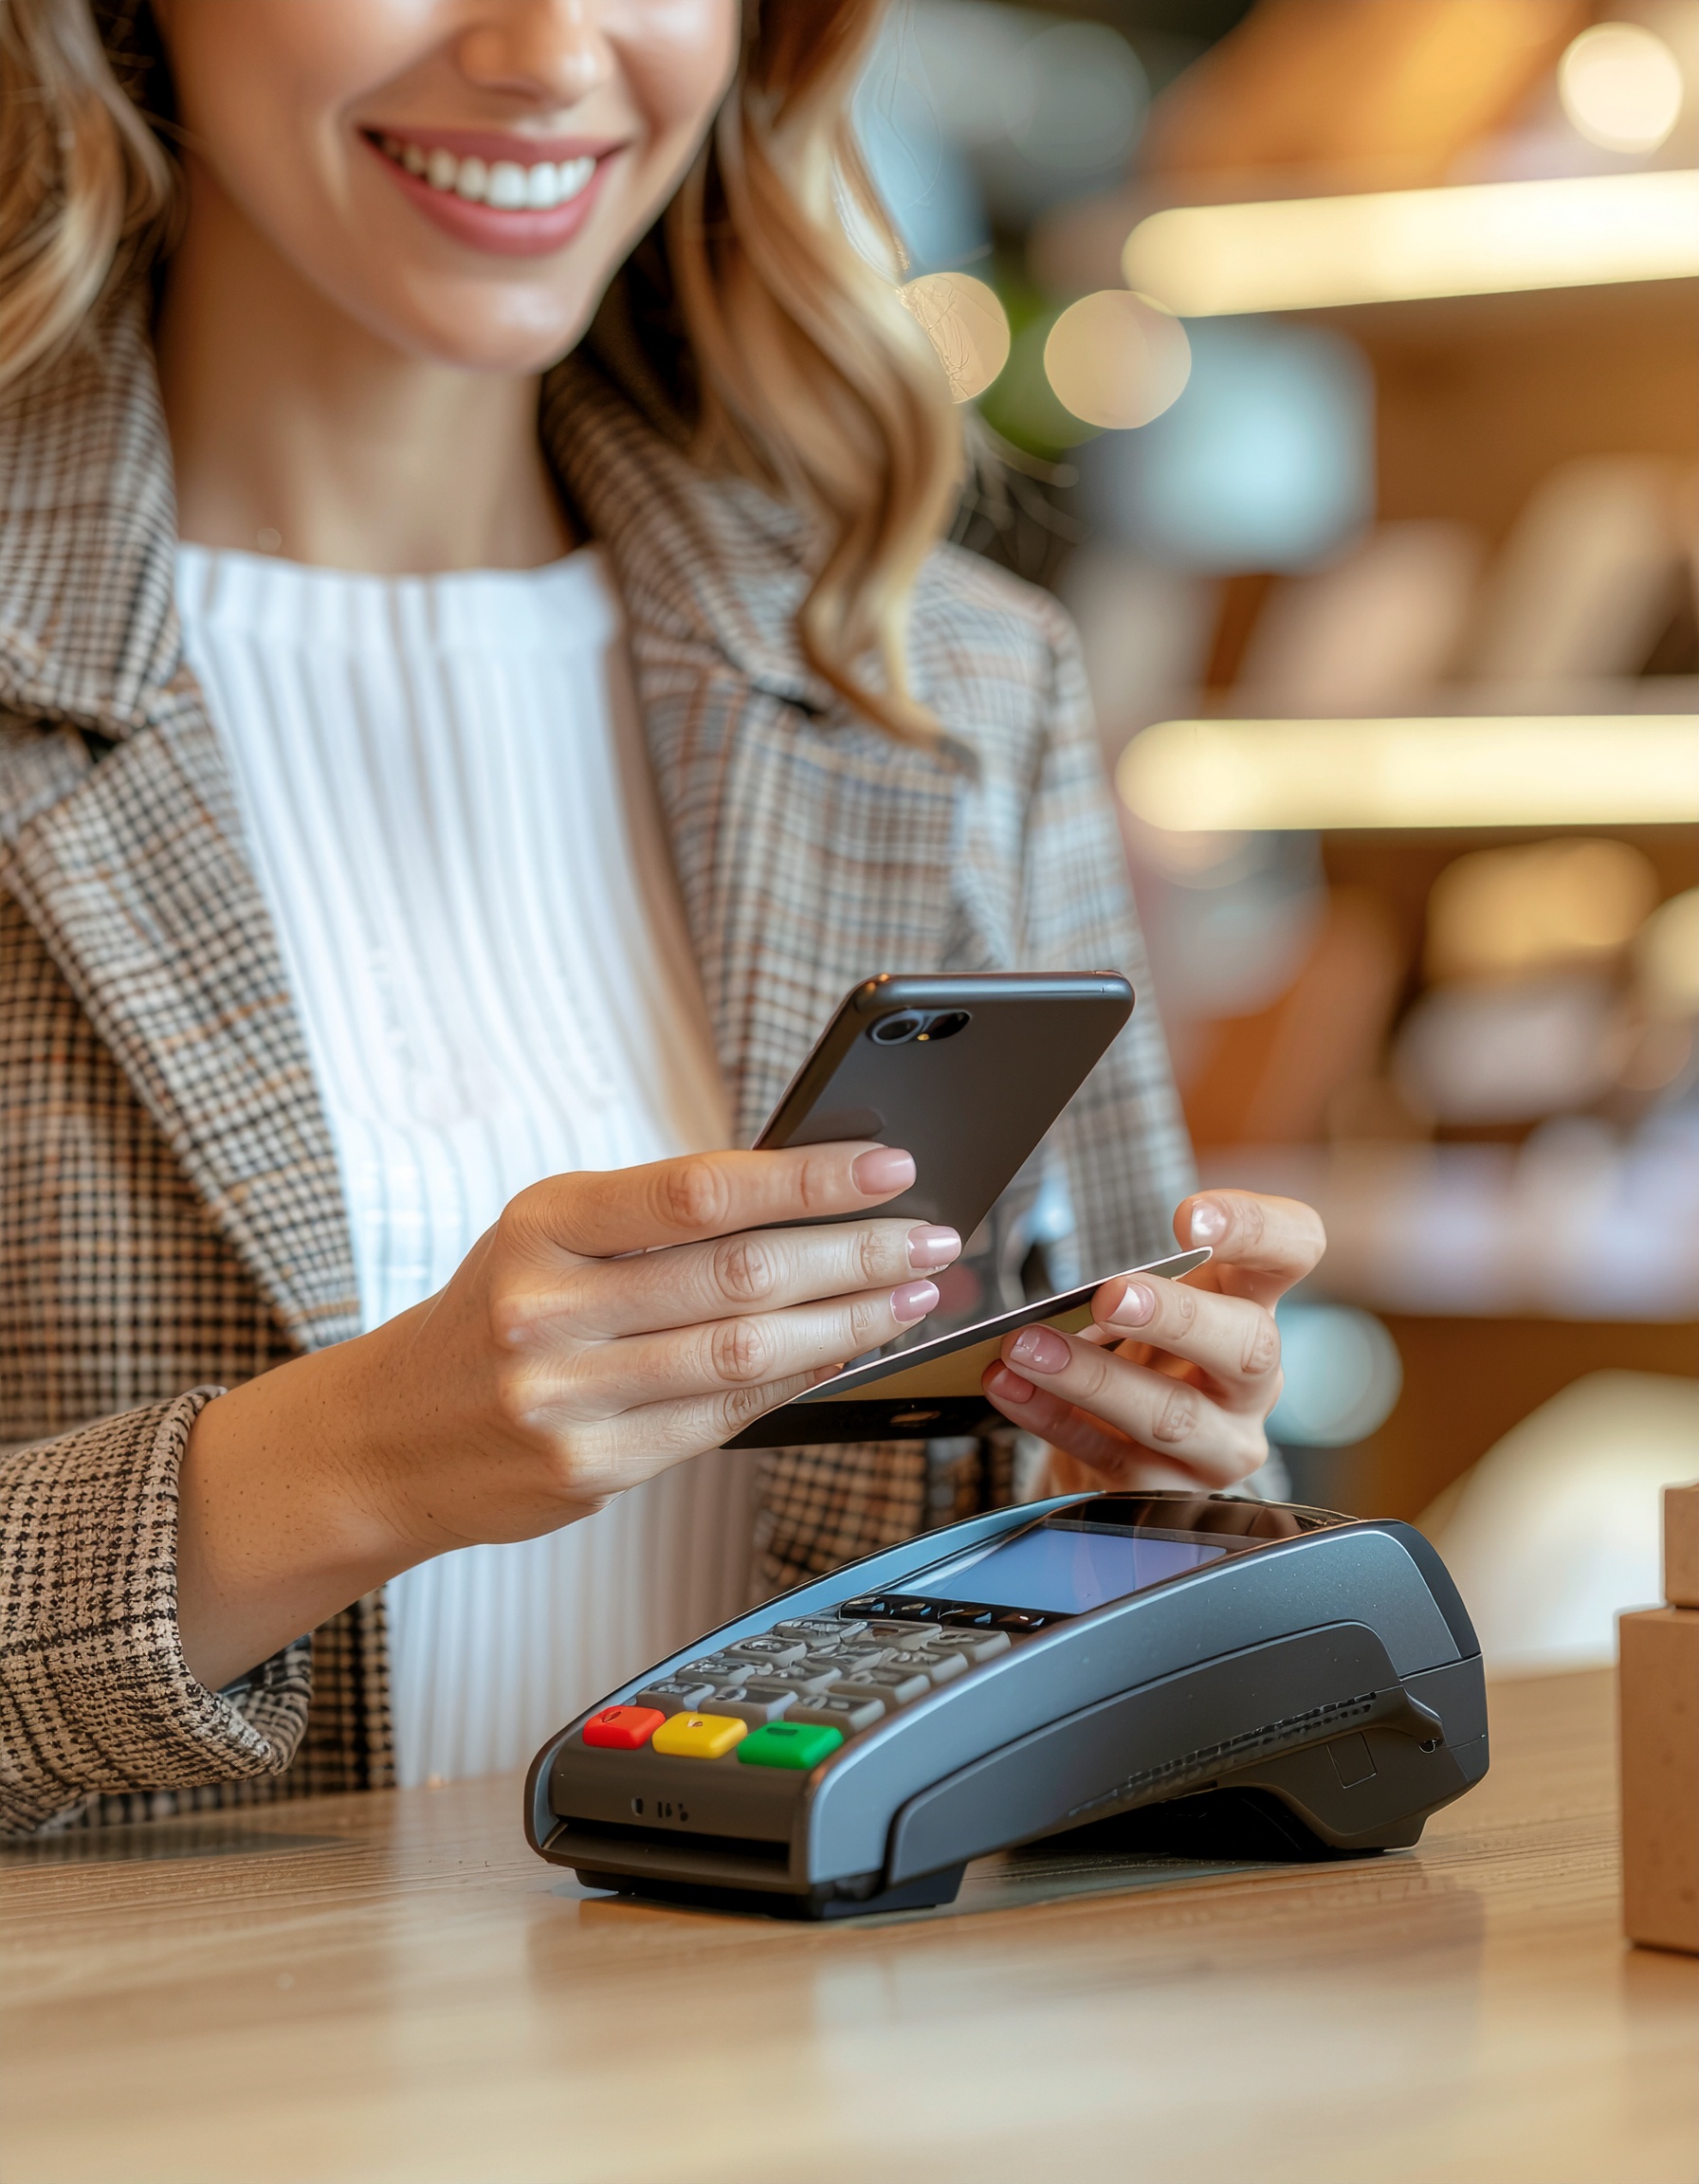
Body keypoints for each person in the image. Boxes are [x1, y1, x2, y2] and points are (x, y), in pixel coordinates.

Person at [0, 0, 1323, 1836]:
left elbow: (1099, 1666)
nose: (549, 52)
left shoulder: (943, 683)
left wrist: (1143, 1503)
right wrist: (340, 1466)